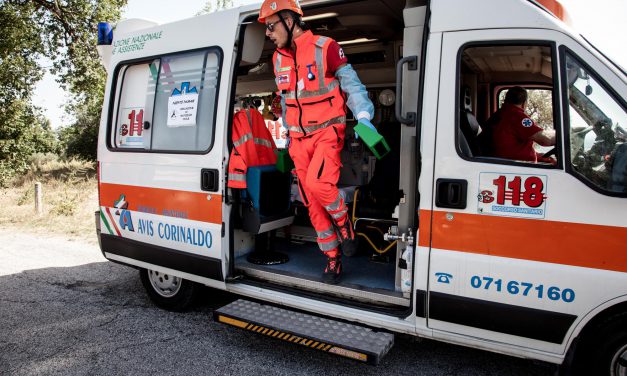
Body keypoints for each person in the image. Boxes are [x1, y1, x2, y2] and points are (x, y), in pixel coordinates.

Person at [258, 0, 377, 283]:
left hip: (326, 132)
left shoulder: (326, 47)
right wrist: (286, 131)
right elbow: (287, 100)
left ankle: (344, 224)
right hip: (298, 140)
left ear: (289, 19)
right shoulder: (277, 59)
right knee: (310, 200)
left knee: (319, 185)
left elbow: (352, 85)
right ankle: (333, 257)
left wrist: (363, 115)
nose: (268, 33)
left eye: (271, 26)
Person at [488, 86, 556, 163]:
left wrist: (539, 156)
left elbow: (512, 149)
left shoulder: (498, 115)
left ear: (506, 100)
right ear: (524, 103)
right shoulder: (516, 116)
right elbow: (545, 140)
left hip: (506, 164)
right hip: (516, 167)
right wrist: (561, 134)